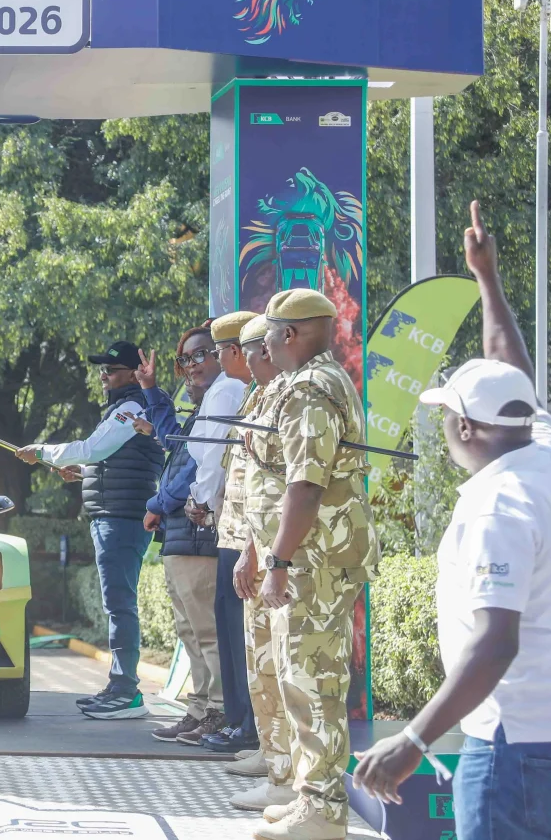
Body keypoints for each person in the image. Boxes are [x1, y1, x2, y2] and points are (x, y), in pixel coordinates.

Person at [353, 202, 551, 839]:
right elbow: (513, 372)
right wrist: (486, 278)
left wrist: (414, 741)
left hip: (512, 748)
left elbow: (494, 642)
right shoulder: (547, 450)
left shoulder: (497, 503)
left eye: (447, 413)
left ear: (466, 428)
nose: (443, 424)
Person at [237, 288, 378, 840]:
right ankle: (308, 796)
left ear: (288, 335)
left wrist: (278, 561)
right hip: (307, 557)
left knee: (313, 680)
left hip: (313, 561)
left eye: (269, 332)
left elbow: (305, 484)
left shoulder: (310, 390)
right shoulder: (306, 383)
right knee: (300, 678)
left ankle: (322, 810)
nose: (265, 342)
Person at [17, 340, 163, 719]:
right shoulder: (122, 408)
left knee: (119, 605)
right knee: (117, 604)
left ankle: (126, 691)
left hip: (121, 518)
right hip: (114, 515)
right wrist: (83, 474)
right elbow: (107, 460)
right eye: (102, 369)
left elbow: (93, 449)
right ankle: (120, 685)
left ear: (133, 373)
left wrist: (43, 452)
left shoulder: (132, 407)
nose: (104, 375)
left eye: (111, 370)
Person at [141, 328, 226, 744]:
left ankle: (219, 711)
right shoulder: (201, 409)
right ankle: (199, 709)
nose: (190, 368)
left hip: (198, 535)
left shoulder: (226, 398)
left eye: (198, 357)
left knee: (206, 630)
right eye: (184, 361)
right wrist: (153, 390)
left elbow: (197, 473)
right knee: (189, 631)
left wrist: (157, 503)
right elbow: (169, 439)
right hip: (180, 534)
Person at [220, 317, 290, 783]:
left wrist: (259, 551)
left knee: (284, 666)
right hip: (252, 538)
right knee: (260, 660)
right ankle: (270, 752)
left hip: (276, 549)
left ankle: (286, 770)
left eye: (253, 348)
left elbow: (289, 484)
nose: (250, 358)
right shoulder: (260, 397)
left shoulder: (294, 394)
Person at [196, 310, 258, 756]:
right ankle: (241, 722)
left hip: (249, 536)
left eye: (219, 351)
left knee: (243, 633)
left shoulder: (242, 392)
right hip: (231, 528)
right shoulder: (250, 395)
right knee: (230, 627)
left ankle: (250, 726)